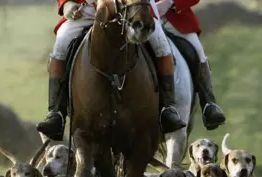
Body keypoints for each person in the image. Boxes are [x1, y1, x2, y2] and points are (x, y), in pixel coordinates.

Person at [36, 0, 187, 141]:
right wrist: (66, 3)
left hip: (132, 8)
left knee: (162, 47)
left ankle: (168, 109)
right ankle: (56, 113)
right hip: (86, 10)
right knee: (60, 46)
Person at [155, 0, 225, 130]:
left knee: (198, 52)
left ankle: (209, 104)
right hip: (139, 19)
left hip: (174, 20)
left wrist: (170, 2)